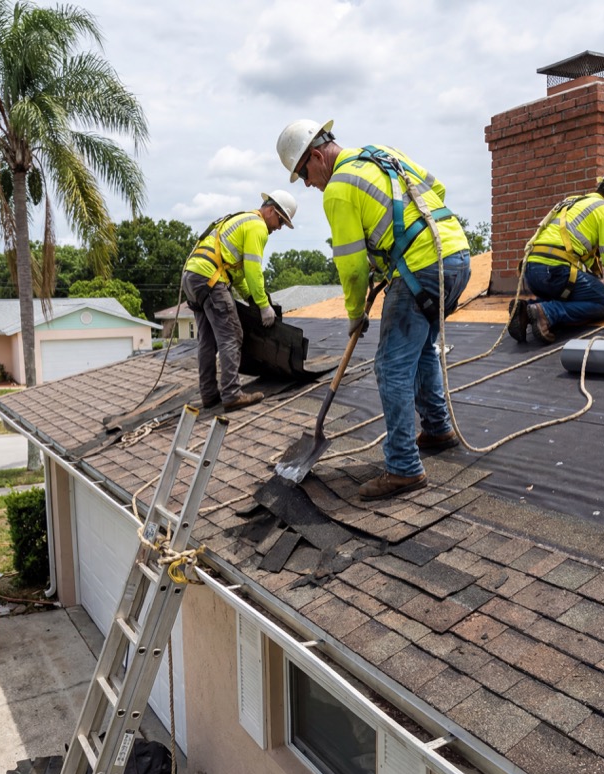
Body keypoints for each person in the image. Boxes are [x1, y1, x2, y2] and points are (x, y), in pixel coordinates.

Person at [276, 119, 470, 501]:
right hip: (456, 255)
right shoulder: (383, 154)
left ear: (317, 156)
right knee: (420, 350)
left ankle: (403, 468)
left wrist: (354, 314)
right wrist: (396, 243)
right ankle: (437, 428)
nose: (308, 184)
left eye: (304, 174)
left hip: (422, 266)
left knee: (391, 366)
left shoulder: (339, 190)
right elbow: (437, 189)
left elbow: (350, 267)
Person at [180, 190, 297, 412]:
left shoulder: (244, 220)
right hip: (209, 277)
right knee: (232, 334)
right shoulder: (258, 227)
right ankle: (232, 394)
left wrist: (251, 299)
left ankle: (209, 395)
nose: (279, 227)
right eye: (280, 220)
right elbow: (254, 271)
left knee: (208, 340)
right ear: (271, 210)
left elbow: (240, 275)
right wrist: (263, 305)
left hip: (193, 277)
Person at [508, 168, 604, 344]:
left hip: (531, 271)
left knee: (566, 296)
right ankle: (546, 313)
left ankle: (527, 310)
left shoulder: (573, 201)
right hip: (555, 272)